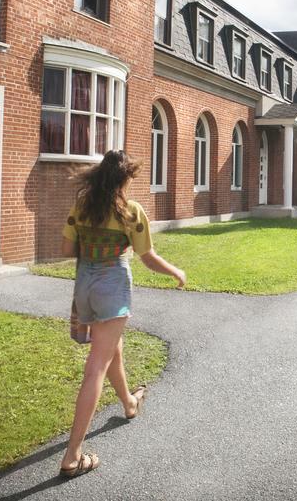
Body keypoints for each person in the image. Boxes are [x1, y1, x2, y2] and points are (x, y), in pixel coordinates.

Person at [58, 150, 186, 478]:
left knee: (113, 348)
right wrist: (176, 272)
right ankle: (72, 456)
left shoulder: (82, 207)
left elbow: (67, 250)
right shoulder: (131, 211)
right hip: (111, 284)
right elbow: (147, 256)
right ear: (124, 178)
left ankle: (129, 403)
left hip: (84, 285)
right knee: (95, 369)